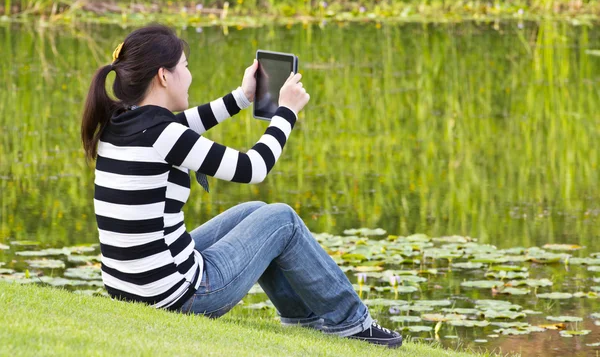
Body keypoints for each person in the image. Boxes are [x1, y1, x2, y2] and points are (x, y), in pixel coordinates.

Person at [80, 24, 402, 348]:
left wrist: (243, 96)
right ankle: (352, 322)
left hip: (131, 287)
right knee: (282, 219)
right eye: (186, 67)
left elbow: (185, 124)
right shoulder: (164, 134)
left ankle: (303, 319)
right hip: (176, 296)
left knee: (255, 212)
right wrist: (286, 113)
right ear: (164, 76)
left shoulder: (119, 123)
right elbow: (254, 169)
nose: (190, 76)